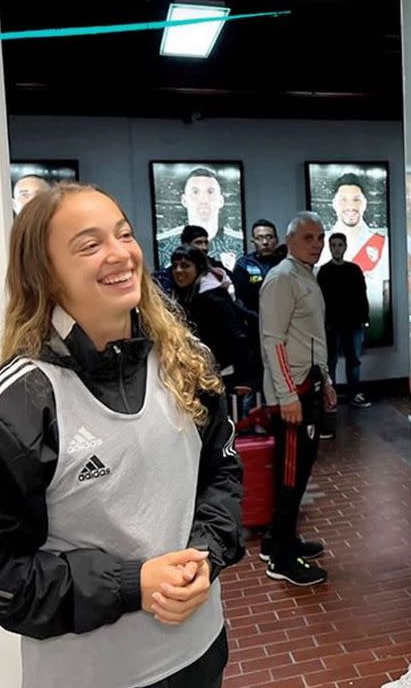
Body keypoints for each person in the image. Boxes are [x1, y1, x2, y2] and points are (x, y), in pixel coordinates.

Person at [0, 182, 244, 688]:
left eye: (124, 234)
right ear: (43, 273)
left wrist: (206, 553)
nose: (120, 254)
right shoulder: (22, 403)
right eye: (89, 245)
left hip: (200, 653)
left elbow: (223, 476)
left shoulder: (185, 361)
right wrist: (132, 584)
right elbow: (7, 579)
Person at [259, 211, 337, 586]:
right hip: (291, 394)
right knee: (291, 476)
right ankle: (281, 558)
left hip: (310, 385)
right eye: (309, 238)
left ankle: (281, 538)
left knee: (301, 471)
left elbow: (310, 337)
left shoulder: (306, 276)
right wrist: (287, 395)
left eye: (320, 237)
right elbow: (272, 340)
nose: (317, 244)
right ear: (289, 241)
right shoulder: (281, 279)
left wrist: (326, 380)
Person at [317, 173, 389, 343]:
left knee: (355, 364)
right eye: (343, 199)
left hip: (367, 327)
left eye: (356, 199)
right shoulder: (319, 246)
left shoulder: (382, 244)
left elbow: (387, 291)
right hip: (331, 326)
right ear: (334, 204)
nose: (350, 206)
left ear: (365, 204)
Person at [170, 244, 248, 393]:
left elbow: (236, 338)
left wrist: (234, 378)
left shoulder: (214, 297)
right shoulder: (184, 295)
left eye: (185, 266)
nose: (178, 271)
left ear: (198, 268)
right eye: (175, 266)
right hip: (199, 374)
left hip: (222, 377)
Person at [232, 219, 288, 400]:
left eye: (269, 237)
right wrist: (256, 318)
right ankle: (255, 417)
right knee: (257, 374)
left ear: (277, 239)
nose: (265, 242)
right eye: (260, 238)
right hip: (254, 329)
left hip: (284, 326)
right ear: (253, 241)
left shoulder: (286, 263)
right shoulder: (243, 265)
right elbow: (240, 300)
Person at [317, 232, 371, 408]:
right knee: (330, 361)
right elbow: (321, 300)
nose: (336, 249)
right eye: (333, 245)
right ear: (329, 248)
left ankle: (354, 394)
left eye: (340, 245)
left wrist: (365, 318)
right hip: (332, 325)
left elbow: (362, 295)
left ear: (345, 247)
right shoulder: (324, 272)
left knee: (354, 359)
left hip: (354, 323)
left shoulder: (354, 270)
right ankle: (330, 396)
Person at [156, 167, 243, 271]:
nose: (203, 200)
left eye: (210, 192)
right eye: (195, 192)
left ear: (221, 201)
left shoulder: (239, 244)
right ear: (184, 200)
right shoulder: (162, 244)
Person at [153, 224, 230, 296]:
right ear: (185, 245)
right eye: (198, 243)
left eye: (206, 243)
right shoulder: (164, 278)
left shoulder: (217, 270)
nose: (204, 247)